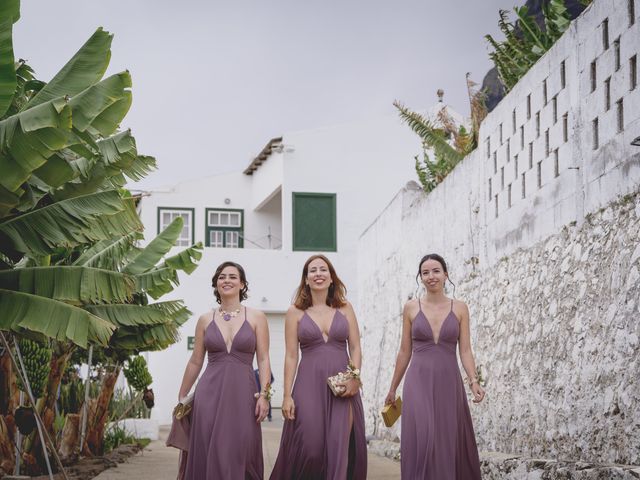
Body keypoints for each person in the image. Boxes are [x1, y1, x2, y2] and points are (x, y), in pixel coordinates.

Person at [385, 253, 484, 479]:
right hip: (417, 381)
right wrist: (392, 388)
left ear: (445, 274)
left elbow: (465, 350)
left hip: (450, 382)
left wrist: (474, 381)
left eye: (436, 271)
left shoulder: (460, 308)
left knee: (446, 439)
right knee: (425, 434)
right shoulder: (411, 308)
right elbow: (404, 351)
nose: (431, 276)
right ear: (420, 277)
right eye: (425, 272)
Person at [270, 254, 367, 480]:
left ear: (331, 277)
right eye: (312, 271)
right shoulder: (295, 312)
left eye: (323, 270)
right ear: (306, 279)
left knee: (340, 446)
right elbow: (291, 355)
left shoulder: (345, 308)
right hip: (308, 386)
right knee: (310, 448)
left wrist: (354, 377)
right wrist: (286, 395)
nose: (318, 274)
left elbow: (355, 347)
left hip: (343, 387)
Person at [178, 261, 271, 479]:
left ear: (242, 284)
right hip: (209, 394)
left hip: (243, 394)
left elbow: (264, 359)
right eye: (221, 277)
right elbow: (195, 360)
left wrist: (265, 395)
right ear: (216, 284)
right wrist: (182, 394)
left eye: (232, 276)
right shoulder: (204, 319)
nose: (226, 280)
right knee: (209, 449)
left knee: (240, 449)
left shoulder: (257, 317)